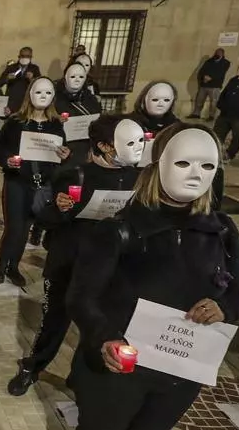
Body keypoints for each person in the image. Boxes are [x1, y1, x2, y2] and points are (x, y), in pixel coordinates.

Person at [61, 123, 239, 430]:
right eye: (183, 163)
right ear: (157, 164)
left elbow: (235, 296)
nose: (195, 174)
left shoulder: (223, 231)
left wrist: (222, 309)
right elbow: (80, 297)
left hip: (180, 368)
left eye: (207, 166)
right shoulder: (117, 229)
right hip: (119, 367)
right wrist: (104, 337)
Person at [7, 115, 143, 397]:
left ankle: (81, 376)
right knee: (53, 322)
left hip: (108, 267)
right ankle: (33, 366)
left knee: (97, 324)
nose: (138, 148)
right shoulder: (75, 175)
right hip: (68, 261)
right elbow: (44, 219)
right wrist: (59, 208)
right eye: (129, 142)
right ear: (105, 146)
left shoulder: (137, 178)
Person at [0, 77, 68, 286]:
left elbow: (61, 152)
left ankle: (14, 267)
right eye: (39, 92)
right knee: (14, 227)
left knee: (26, 228)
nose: (43, 96)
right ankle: (1, 265)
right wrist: (7, 160)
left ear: (53, 97)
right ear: (30, 94)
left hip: (41, 183)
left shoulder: (56, 125)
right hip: (17, 181)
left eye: (47, 93)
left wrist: (65, 154)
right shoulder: (15, 123)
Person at [56, 63, 103, 169]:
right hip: (63, 151)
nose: (77, 80)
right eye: (73, 77)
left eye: (81, 77)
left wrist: (94, 149)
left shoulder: (92, 100)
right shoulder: (54, 98)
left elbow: (98, 125)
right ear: (65, 78)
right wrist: (56, 120)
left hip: (86, 150)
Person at [188, 48, 229, 120]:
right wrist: (204, 77)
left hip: (215, 86)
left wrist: (211, 78)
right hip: (204, 84)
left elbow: (221, 73)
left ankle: (211, 116)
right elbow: (202, 71)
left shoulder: (225, 63)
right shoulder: (209, 61)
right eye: (216, 52)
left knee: (214, 102)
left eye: (219, 53)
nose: (217, 54)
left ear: (222, 54)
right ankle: (196, 114)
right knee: (199, 100)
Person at [0, 47, 41, 112]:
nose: (25, 58)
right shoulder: (11, 68)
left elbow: (40, 86)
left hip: (27, 105)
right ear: (19, 56)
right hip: (11, 105)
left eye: (27, 56)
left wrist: (32, 79)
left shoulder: (34, 68)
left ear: (31, 57)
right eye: (23, 56)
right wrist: (7, 78)